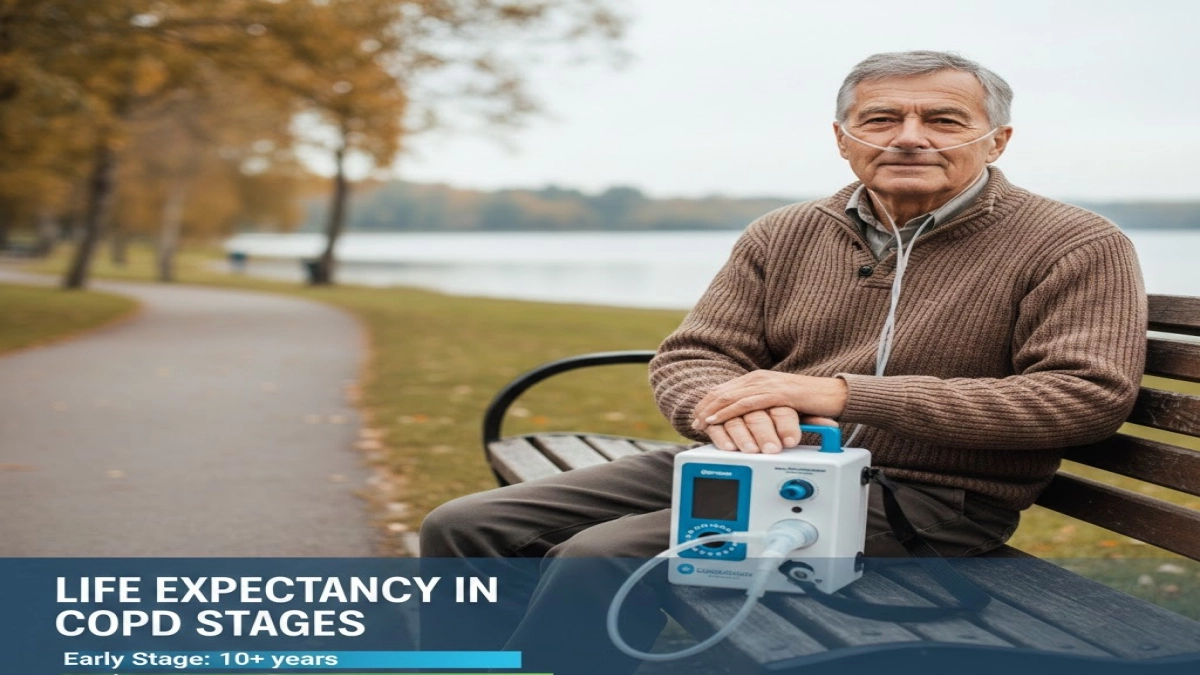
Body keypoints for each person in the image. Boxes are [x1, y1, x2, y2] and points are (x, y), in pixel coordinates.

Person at [419, 50, 1146, 673]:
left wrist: (842, 394)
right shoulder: (788, 232)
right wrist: (721, 407)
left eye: (944, 119)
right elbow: (695, 354)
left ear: (997, 139)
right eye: (882, 118)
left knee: (599, 557)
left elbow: (1082, 396)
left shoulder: (1075, 243)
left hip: (928, 499)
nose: (910, 137)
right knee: (465, 525)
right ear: (843, 137)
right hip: (757, 466)